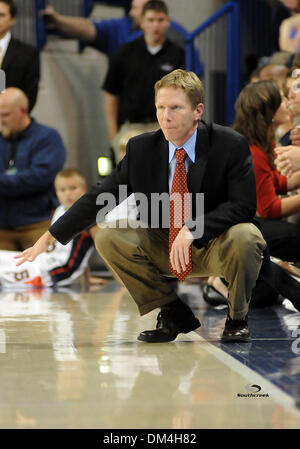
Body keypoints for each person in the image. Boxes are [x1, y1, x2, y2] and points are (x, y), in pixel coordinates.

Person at [15, 69, 300, 344]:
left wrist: (192, 228)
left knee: (247, 235)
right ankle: (173, 312)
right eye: (160, 107)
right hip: (165, 243)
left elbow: (243, 206)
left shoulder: (229, 144)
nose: (165, 116)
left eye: (175, 107)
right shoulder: (141, 149)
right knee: (108, 235)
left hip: (217, 243)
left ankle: (237, 319)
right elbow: (101, 195)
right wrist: (51, 235)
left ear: (197, 111)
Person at [204, 79, 300, 310]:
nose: (287, 102)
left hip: (232, 227)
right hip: (232, 228)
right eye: (281, 100)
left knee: (262, 298)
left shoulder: (256, 144)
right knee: (295, 236)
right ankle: (223, 279)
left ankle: (234, 283)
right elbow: (269, 208)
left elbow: (278, 183)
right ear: (268, 112)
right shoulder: (252, 151)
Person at [103, 0, 185, 161]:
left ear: (168, 22)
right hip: (131, 127)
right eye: (151, 20)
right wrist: (114, 136)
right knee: (126, 183)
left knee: (163, 181)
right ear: (142, 22)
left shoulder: (178, 55)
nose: (156, 25)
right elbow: (111, 96)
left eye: (160, 20)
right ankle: (124, 188)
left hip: (165, 126)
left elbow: (186, 95)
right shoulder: (123, 54)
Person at [40, 0, 203, 77]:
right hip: (131, 121)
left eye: (135, 9)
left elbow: (195, 76)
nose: (131, 12)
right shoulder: (122, 29)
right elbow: (90, 28)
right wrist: (59, 20)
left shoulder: (177, 36)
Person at [0, 168, 97, 288]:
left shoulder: (89, 216)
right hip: (44, 260)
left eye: (73, 188)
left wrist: (122, 283)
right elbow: (76, 248)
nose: (68, 193)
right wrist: (87, 278)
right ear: (56, 193)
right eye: (62, 190)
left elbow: (100, 248)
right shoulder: (59, 210)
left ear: (84, 189)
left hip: (53, 272)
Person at [0, 87, 66, 251]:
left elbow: (40, 178)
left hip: (38, 224)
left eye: (5, 114)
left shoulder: (47, 137)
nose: (1, 120)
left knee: (44, 274)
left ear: (23, 111)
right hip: (2, 228)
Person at [0, 0, 40, 111]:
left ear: (12, 19)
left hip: (12, 119)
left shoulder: (28, 53)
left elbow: (30, 94)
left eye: (1, 15)